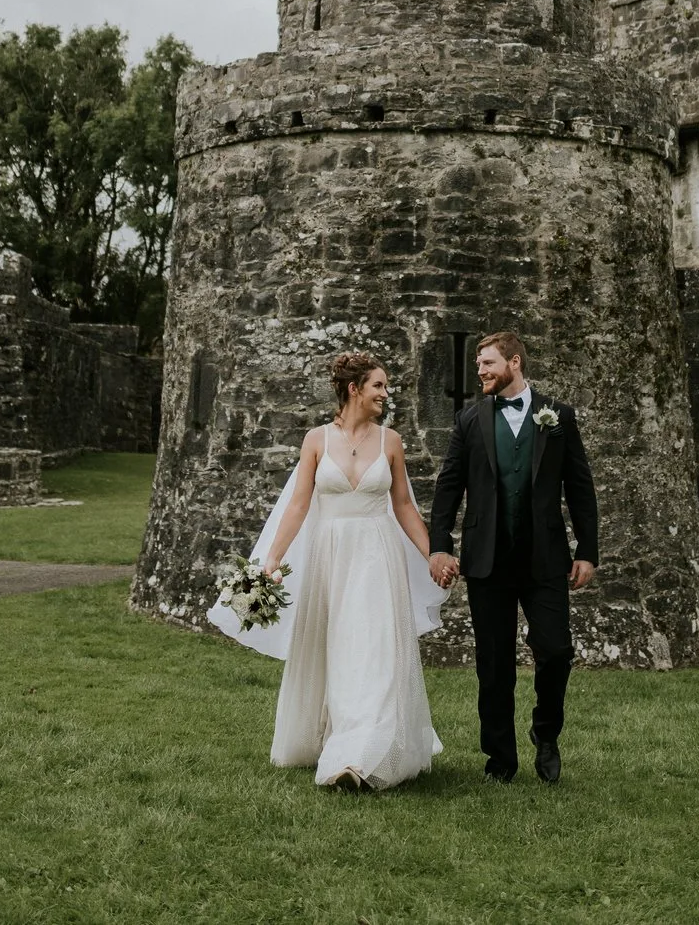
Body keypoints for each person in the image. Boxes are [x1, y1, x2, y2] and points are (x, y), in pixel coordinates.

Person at [212, 351, 445, 790]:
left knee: (375, 651)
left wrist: (434, 553)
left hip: (378, 555)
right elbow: (299, 503)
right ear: (354, 389)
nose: (385, 393)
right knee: (338, 647)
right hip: (332, 558)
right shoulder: (316, 440)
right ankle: (340, 741)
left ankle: (358, 757)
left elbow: (404, 508)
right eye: (378, 385)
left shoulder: (389, 441)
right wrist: (272, 559)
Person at [426, 331, 599, 784]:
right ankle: (500, 759)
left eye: (486, 363)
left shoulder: (558, 417)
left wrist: (588, 551)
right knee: (494, 662)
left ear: (514, 362)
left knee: (557, 651)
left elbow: (580, 487)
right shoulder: (469, 420)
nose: (479, 371)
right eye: (479, 364)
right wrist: (439, 544)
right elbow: (448, 487)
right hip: (487, 561)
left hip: (545, 560)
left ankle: (546, 735)